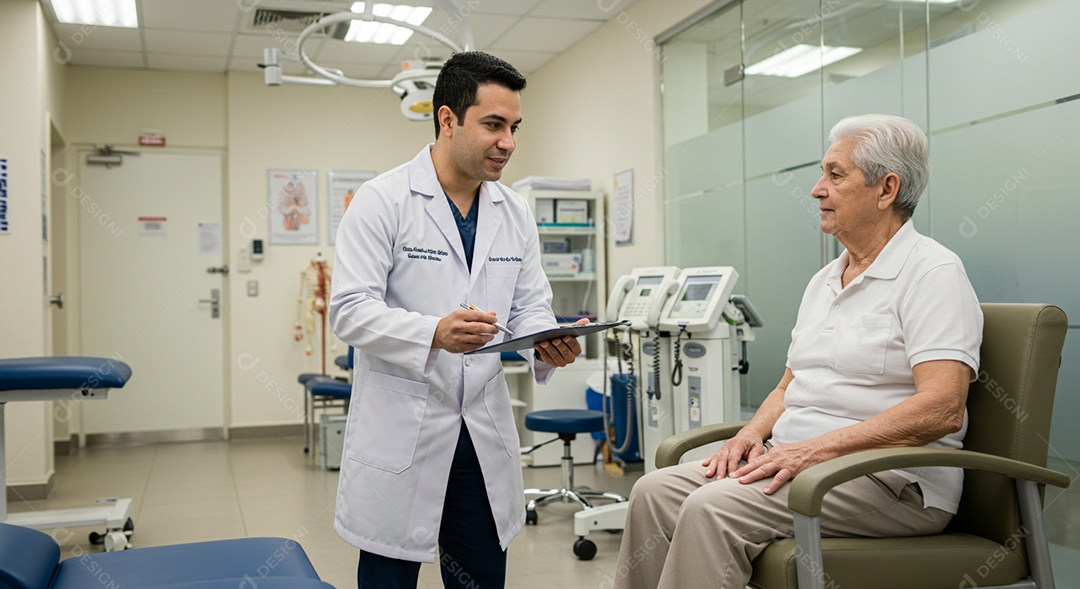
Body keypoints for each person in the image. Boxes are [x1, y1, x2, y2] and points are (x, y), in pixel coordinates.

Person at [612, 114, 984, 589]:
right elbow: (791, 383)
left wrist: (812, 451)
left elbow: (942, 409)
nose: (816, 189)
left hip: (892, 481)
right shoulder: (825, 279)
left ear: (886, 189)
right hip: (802, 460)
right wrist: (751, 434)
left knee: (712, 508)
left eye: (835, 174)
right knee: (652, 492)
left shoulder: (933, 272)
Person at [329, 51, 586, 589]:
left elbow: (530, 305)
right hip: (404, 428)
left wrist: (545, 341)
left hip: (481, 430)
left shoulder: (513, 212)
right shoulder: (383, 201)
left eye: (514, 127)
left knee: (480, 576)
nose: (508, 142)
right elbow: (350, 312)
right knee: (389, 576)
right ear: (448, 119)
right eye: (493, 124)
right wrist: (433, 333)